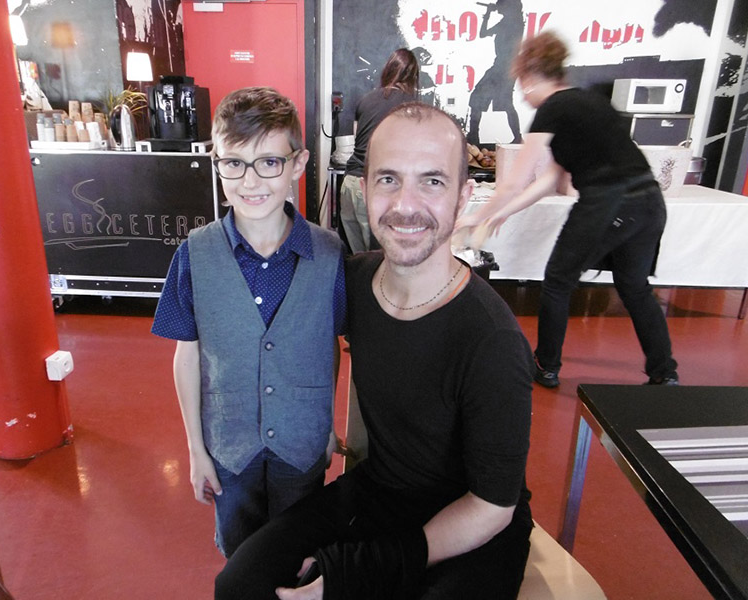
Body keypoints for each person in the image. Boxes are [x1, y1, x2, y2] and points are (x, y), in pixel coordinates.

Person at [215, 102, 533, 600]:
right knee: (240, 586)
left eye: (432, 181)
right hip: (380, 492)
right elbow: (274, 326)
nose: (405, 205)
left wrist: (351, 572)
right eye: (388, 179)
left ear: (463, 196)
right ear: (363, 190)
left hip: (471, 525)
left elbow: (493, 507)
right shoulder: (353, 281)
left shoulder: (491, 340)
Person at [151, 87, 346, 558]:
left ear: (297, 164)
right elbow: (187, 355)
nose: (251, 180)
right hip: (229, 448)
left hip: (302, 445)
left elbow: (329, 346)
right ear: (216, 163)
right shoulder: (194, 254)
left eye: (269, 162)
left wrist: (326, 426)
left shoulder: (330, 253)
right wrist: (196, 449)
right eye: (234, 163)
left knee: (299, 551)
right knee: (241, 556)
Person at [456, 31, 679, 388]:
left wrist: (475, 217)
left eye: (520, 85)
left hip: (609, 202)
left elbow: (513, 182)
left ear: (529, 76)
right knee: (634, 286)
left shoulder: (553, 109)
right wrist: (501, 213)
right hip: (650, 203)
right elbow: (548, 180)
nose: (522, 95)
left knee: (558, 282)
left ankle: (546, 366)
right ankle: (664, 371)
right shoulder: (590, 103)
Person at [340, 48, 419, 254]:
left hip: (350, 184)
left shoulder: (365, 100)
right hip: (372, 188)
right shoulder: (412, 106)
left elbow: (358, 139)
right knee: (378, 260)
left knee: (356, 259)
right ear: (413, 76)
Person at [466, 0, 524, 145]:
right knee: (484, 100)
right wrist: (488, 14)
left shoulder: (513, 23)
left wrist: (490, 12)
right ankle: (474, 136)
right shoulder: (508, 22)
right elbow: (483, 33)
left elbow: (484, 33)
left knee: (489, 100)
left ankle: (474, 136)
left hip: (504, 68)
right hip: (501, 67)